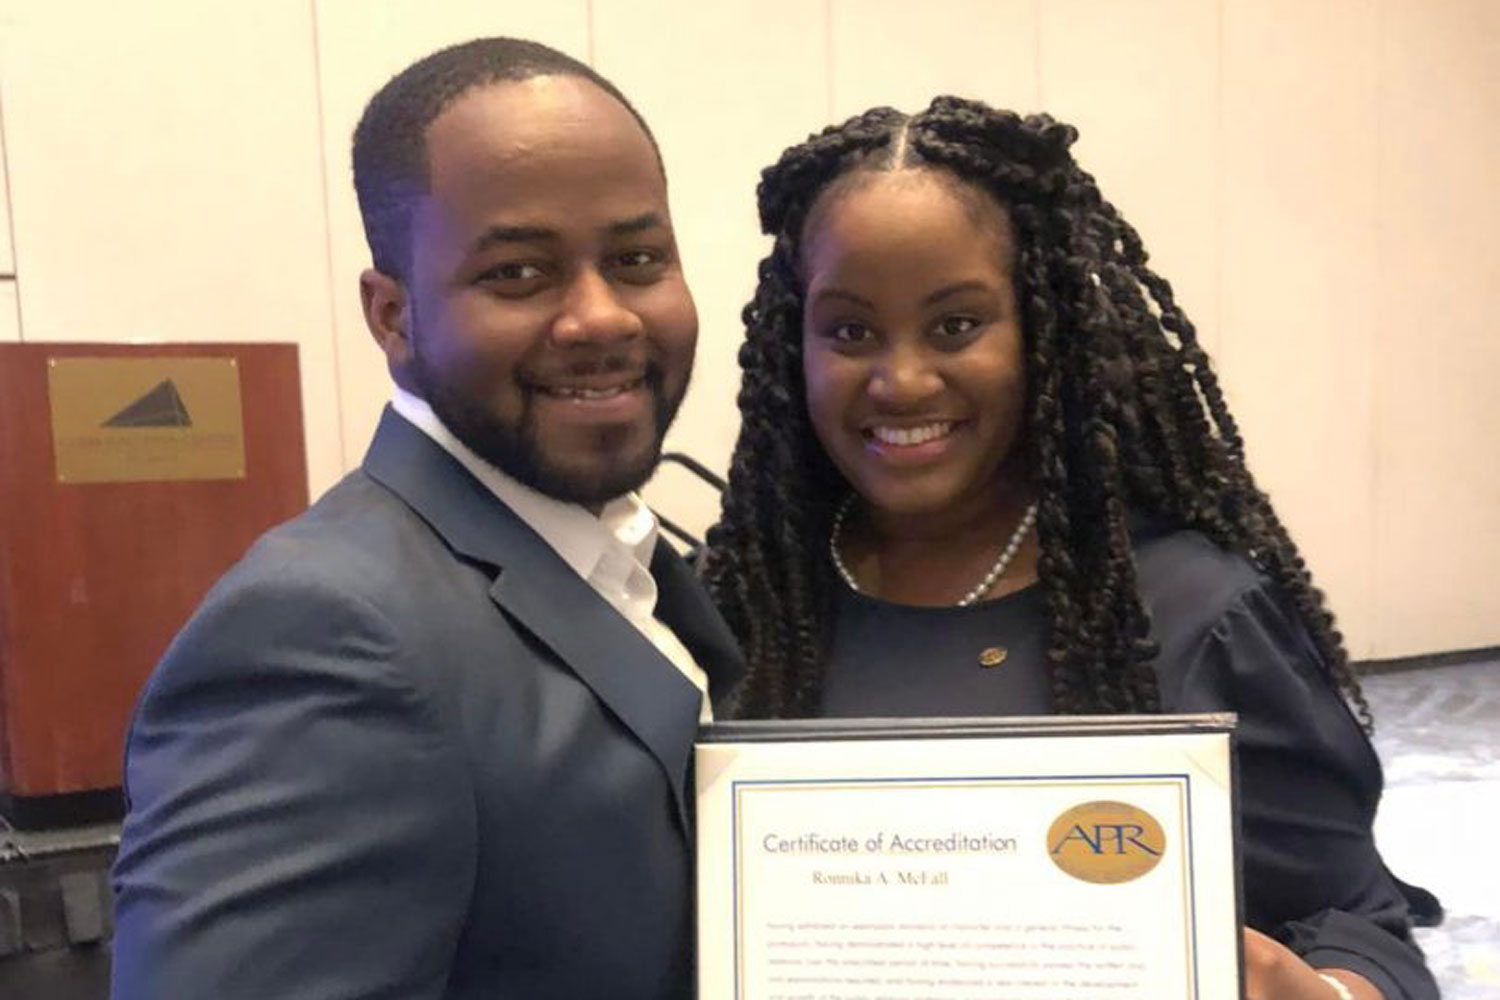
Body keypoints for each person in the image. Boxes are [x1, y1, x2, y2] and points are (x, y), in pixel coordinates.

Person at [703, 97, 1438, 1000]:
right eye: (849, 331)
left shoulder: (1193, 613)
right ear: (792, 343)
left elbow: (1359, 921)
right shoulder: (744, 609)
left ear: (1043, 330)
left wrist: (1328, 991)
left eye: (956, 324)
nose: (901, 379)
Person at [110, 37, 741, 1000]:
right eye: (520, 274)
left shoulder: (619, 558)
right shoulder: (322, 633)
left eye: (638, 257)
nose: (603, 317)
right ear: (393, 317)